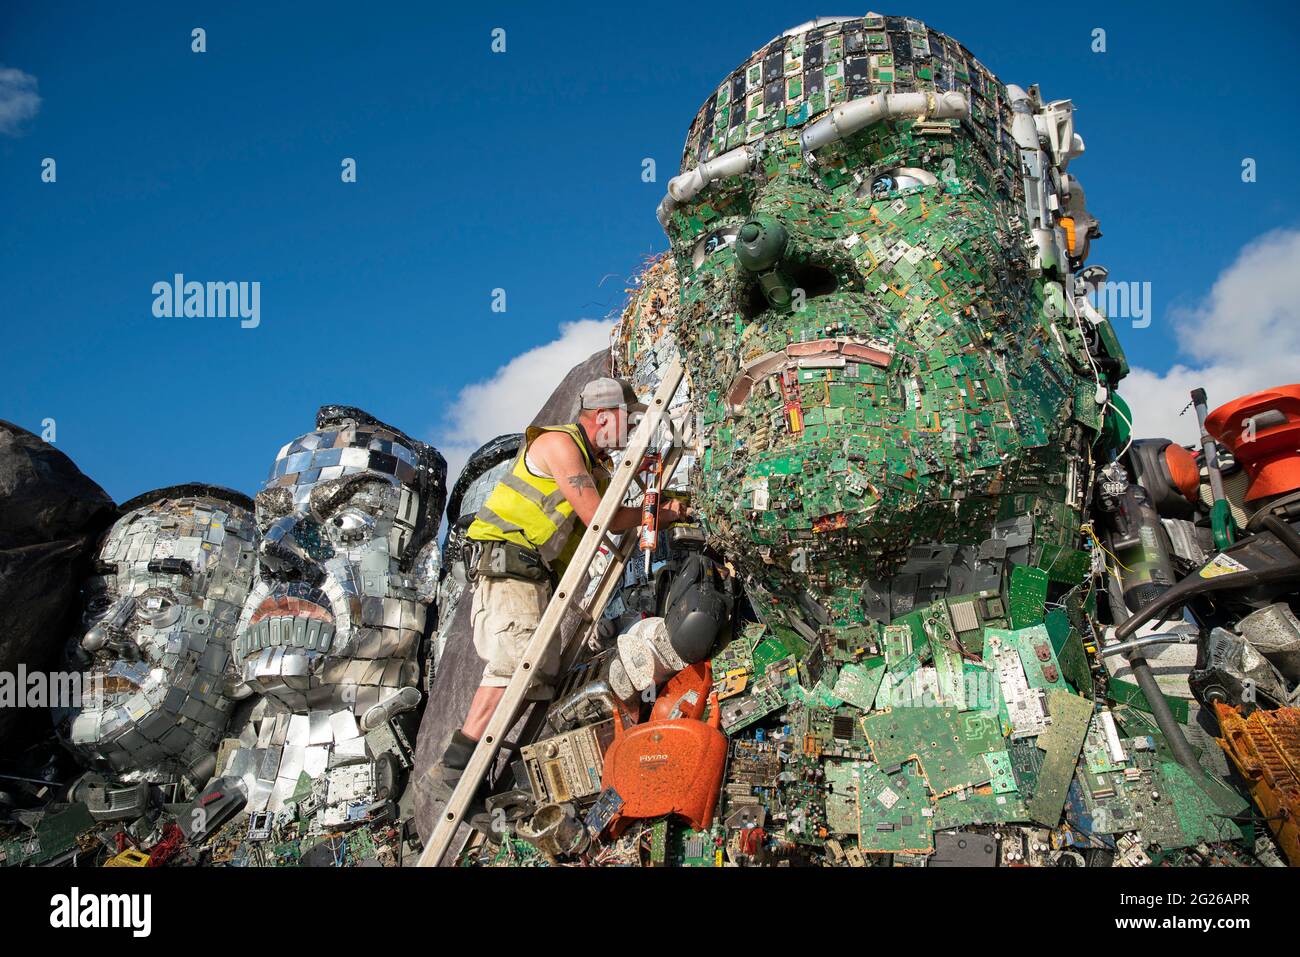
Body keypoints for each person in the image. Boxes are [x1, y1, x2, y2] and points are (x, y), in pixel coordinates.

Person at [426, 376, 688, 814]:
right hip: (508, 566)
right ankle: (454, 768)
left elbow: (620, 517)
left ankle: (484, 781)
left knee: (537, 676)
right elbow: (598, 515)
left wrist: (662, 502)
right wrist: (655, 511)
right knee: (514, 663)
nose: (625, 437)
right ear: (604, 417)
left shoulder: (590, 463)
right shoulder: (559, 446)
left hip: (532, 577)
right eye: (625, 423)